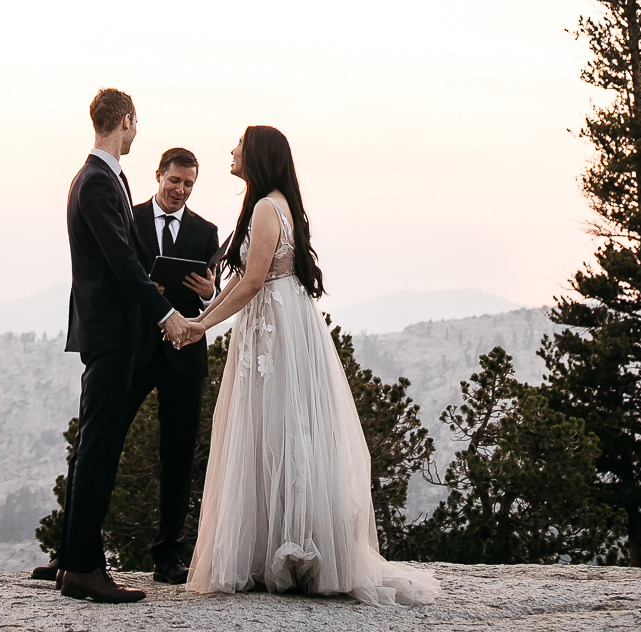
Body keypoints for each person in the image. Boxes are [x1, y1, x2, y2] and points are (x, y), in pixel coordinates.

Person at [167, 126, 441, 606]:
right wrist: (201, 320)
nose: (231, 151)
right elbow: (240, 280)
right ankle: (276, 544)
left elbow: (251, 283)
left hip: (273, 328)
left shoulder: (266, 208)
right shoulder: (274, 203)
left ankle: (288, 547)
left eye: (238, 145)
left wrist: (199, 324)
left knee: (276, 430)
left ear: (256, 155)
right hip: (275, 322)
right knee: (275, 431)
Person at [53, 88, 199, 604]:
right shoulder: (95, 180)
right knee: (98, 448)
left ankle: (72, 558)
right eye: (136, 125)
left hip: (115, 330)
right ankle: (82, 568)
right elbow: (117, 258)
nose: (136, 133)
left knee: (97, 445)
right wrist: (167, 315)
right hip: (111, 333)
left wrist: (154, 289)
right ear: (126, 121)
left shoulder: (105, 175)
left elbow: (127, 256)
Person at [125, 147, 219, 584]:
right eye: (174, 181)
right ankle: (72, 549)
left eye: (189, 185)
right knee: (100, 443)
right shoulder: (130, 219)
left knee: (179, 457)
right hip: (136, 349)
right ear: (158, 175)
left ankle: (168, 556)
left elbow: (210, 299)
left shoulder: (207, 231)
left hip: (184, 356)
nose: (181, 191)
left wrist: (207, 292)